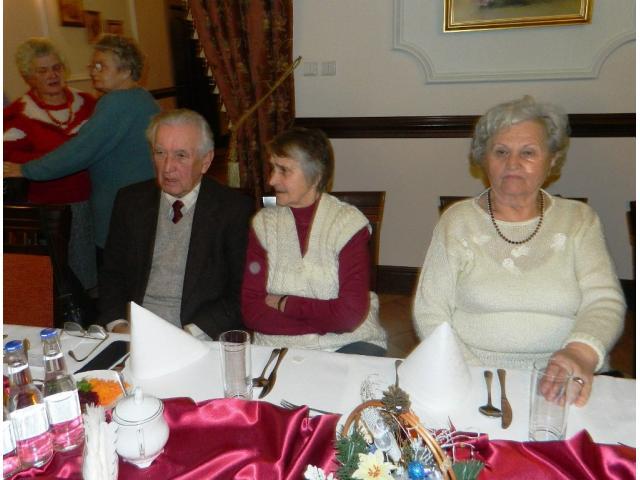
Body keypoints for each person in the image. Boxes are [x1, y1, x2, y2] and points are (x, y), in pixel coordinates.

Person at [413, 95, 625, 406]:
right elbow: (429, 311)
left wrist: (580, 353)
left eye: (528, 152)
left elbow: (604, 300)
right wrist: (475, 373)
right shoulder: (457, 221)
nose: (513, 164)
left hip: (565, 379)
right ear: (483, 159)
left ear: (552, 160)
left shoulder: (579, 220)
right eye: (501, 152)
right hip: (472, 377)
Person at [98, 109, 254, 339]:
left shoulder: (233, 210)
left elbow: (241, 292)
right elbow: (112, 274)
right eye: (160, 153)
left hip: (196, 334)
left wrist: (188, 335)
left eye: (181, 155)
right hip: (134, 332)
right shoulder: (130, 202)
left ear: (206, 161)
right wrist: (119, 326)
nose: (167, 167)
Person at [3, 34, 159, 263]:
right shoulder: (142, 98)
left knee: (115, 268)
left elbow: (80, 151)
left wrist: (27, 169)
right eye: (93, 66)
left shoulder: (108, 102)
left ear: (126, 71)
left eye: (101, 66)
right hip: (75, 206)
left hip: (120, 207)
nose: (94, 71)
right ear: (29, 77)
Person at [242, 127, 387, 355]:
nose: (272, 179)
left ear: (316, 177)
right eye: (273, 168)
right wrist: (328, 321)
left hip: (349, 343)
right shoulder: (263, 225)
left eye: (284, 170)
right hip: (278, 344)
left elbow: (349, 316)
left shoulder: (348, 225)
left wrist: (284, 303)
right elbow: (252, 311)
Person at [4, 38, 97, 290]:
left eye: (56, 68)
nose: (52, 75)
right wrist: (54, 160)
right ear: (29, 77)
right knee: (58, 277)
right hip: (50, 208)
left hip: (93, 199)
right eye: (42, 70)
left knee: (94, 271)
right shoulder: (18, 113)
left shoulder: (88, 104)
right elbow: (8, 156)